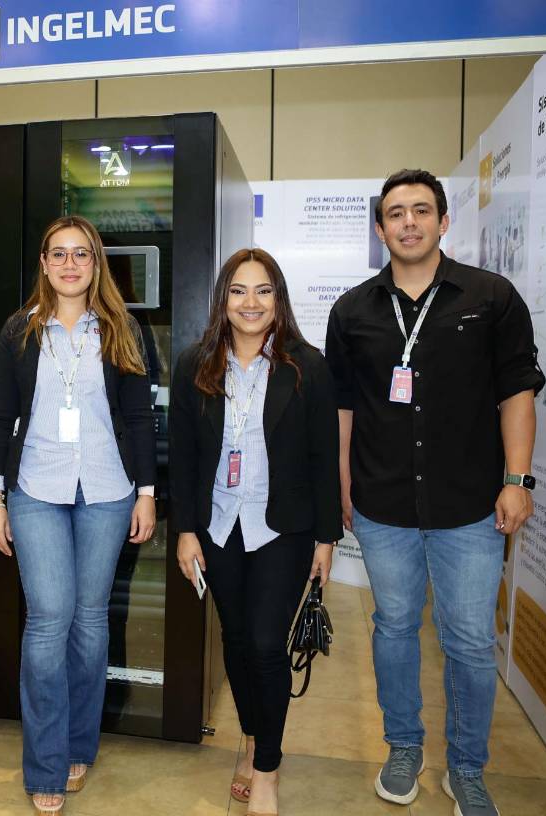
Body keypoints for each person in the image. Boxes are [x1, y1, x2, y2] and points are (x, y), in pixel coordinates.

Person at [325, 169, 545, 816]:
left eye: (422, 210)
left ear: (444, 221)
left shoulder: (491, 297)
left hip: (470, 505)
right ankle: (403, 747)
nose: (409, 222)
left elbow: (517, 392)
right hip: (383, 504)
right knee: (393, 627)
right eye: (396, 213)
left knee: (470, 641)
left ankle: (467, 767)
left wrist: (517, 480)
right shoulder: (353, 311)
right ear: (380, 228)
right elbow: (342, 407)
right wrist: (342, 484)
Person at [0, 215, 156, 816]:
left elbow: (140, 417)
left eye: (81, 254)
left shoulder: (122, 328)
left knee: (88, 622)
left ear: (95, 262)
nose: (70, 264)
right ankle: (45, 763)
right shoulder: (19, 330)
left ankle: (80, 743)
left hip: (107, 489)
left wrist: (146, 492)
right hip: (35, 489)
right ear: (43, 263)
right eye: (58, 253)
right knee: (48, 619)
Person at [169, 247, 340, 816]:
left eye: (263, 290)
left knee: (267, 645)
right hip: (218, 526)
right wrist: (186, 531)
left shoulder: (307, 366)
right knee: (237, 642)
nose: (251, 302)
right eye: (239, 291)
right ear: (223, 299)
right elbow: (184, 457)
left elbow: (324, 456)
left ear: (278, 298)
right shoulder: (195, 364)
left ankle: (266, 765)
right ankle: (250, 735)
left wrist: (325, 539)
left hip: (282, 529)